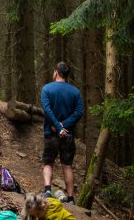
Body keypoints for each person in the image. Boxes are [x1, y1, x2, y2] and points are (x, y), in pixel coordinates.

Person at [41, 62, 84, 205]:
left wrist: (57, 126)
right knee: (67, 165)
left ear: (56, 72)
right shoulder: (75, 92)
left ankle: (47, 190)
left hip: (51, 132)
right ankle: (71, 198)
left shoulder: (47, 89)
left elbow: (47, 109)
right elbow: (79, 112)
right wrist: (64, 126)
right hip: (67, 134)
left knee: (48, 162)